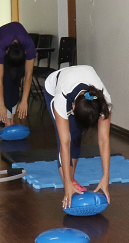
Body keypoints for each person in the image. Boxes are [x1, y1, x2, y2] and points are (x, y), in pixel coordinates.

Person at [43, 65, 113, 209]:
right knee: (67, 136)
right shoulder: (62, 97)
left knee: (76, 135)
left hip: (80, 86)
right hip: (54, 87)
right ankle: (68, 185)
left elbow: (104, 139)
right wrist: (66, 183)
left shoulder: (103, 100)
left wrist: (106, 176)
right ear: (73, 108)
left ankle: (71, 179)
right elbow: (64, 143)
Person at [0, 22, 36, 126]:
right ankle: (7, 120)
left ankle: (11, 117)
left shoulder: (29, 45)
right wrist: (1, 105)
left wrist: (24, 101)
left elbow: (28, 75)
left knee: (16, 79)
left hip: (19, 48)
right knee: (7, 80)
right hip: (4, 44)